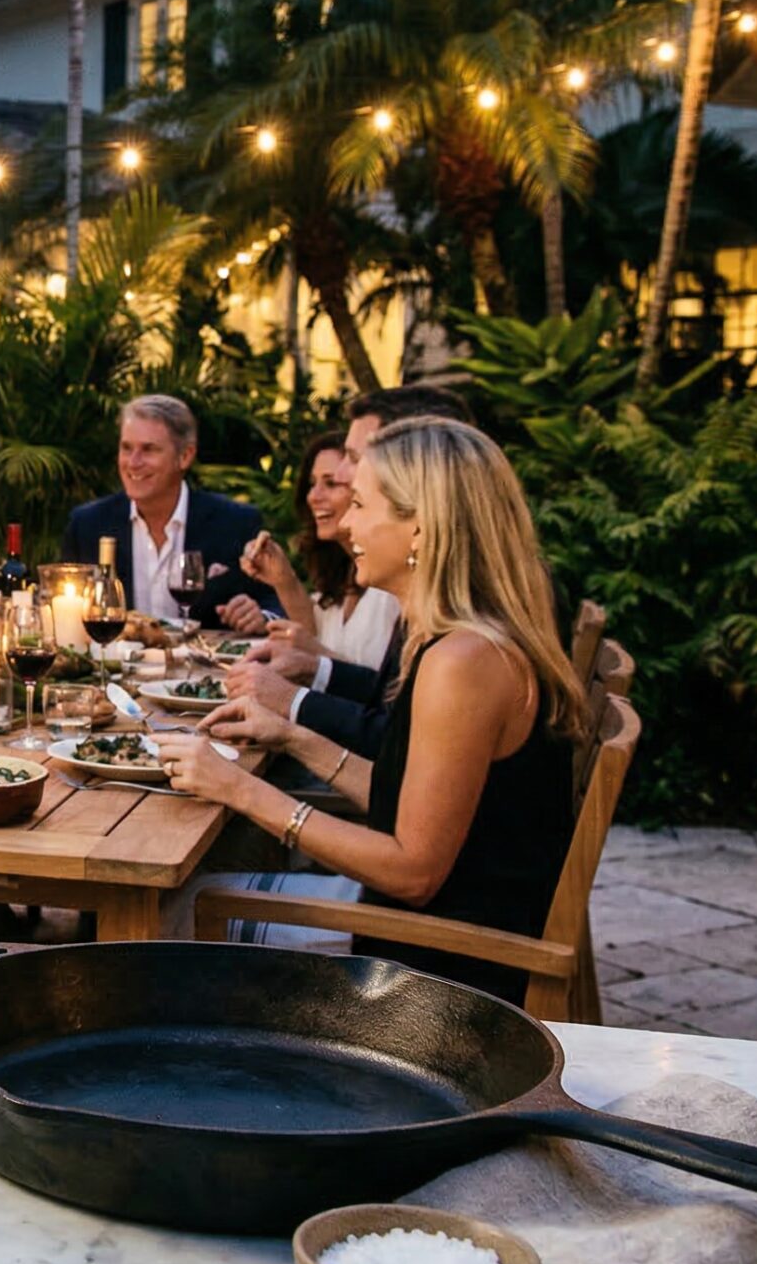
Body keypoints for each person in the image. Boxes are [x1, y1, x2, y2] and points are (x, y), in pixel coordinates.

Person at [154, 416, 582, 1002]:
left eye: (359, 503)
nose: (347, 522)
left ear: (420, 529)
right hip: (434, 929)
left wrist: (240, 789)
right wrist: (292, 736)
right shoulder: (466, 640)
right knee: (200, 884)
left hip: (441, 968)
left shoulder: (465, 661)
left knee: (173, 910)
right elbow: (409, 802)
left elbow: (413, 871)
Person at [224, 385, 477, 753]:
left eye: (355, 458)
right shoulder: (420, 584)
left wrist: (293, 707)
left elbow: (390, 747)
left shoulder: (466, 634)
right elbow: (387, 712)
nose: (345, 475)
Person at [58, 394, 279, 626]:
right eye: (126, 448)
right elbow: (64, 605)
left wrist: (262, 616)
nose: (133, 462)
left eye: (149, 449)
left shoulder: (234, 523)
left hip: (209, 651)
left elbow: (275, 600)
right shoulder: (88, 526)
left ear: (185, 456)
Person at [229, 432, 401, 670]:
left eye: (331, 483)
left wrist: (315, 656)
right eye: (312, 484)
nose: (313, 496)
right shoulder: (340, 571)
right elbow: (311, 635)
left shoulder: (391, 584)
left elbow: (387, 689)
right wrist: (283, 579)